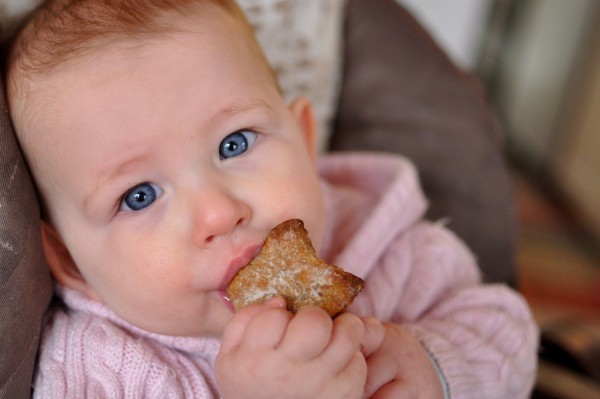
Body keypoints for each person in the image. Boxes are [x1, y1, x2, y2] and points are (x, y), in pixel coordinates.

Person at [3, 0, 539, 397]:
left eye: (234, 144)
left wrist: (433, 368)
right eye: (140, 196)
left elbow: (506, 332)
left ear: (305, 144)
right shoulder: (98, 367)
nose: (218, 212)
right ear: (71, 260)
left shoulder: (396, 250)